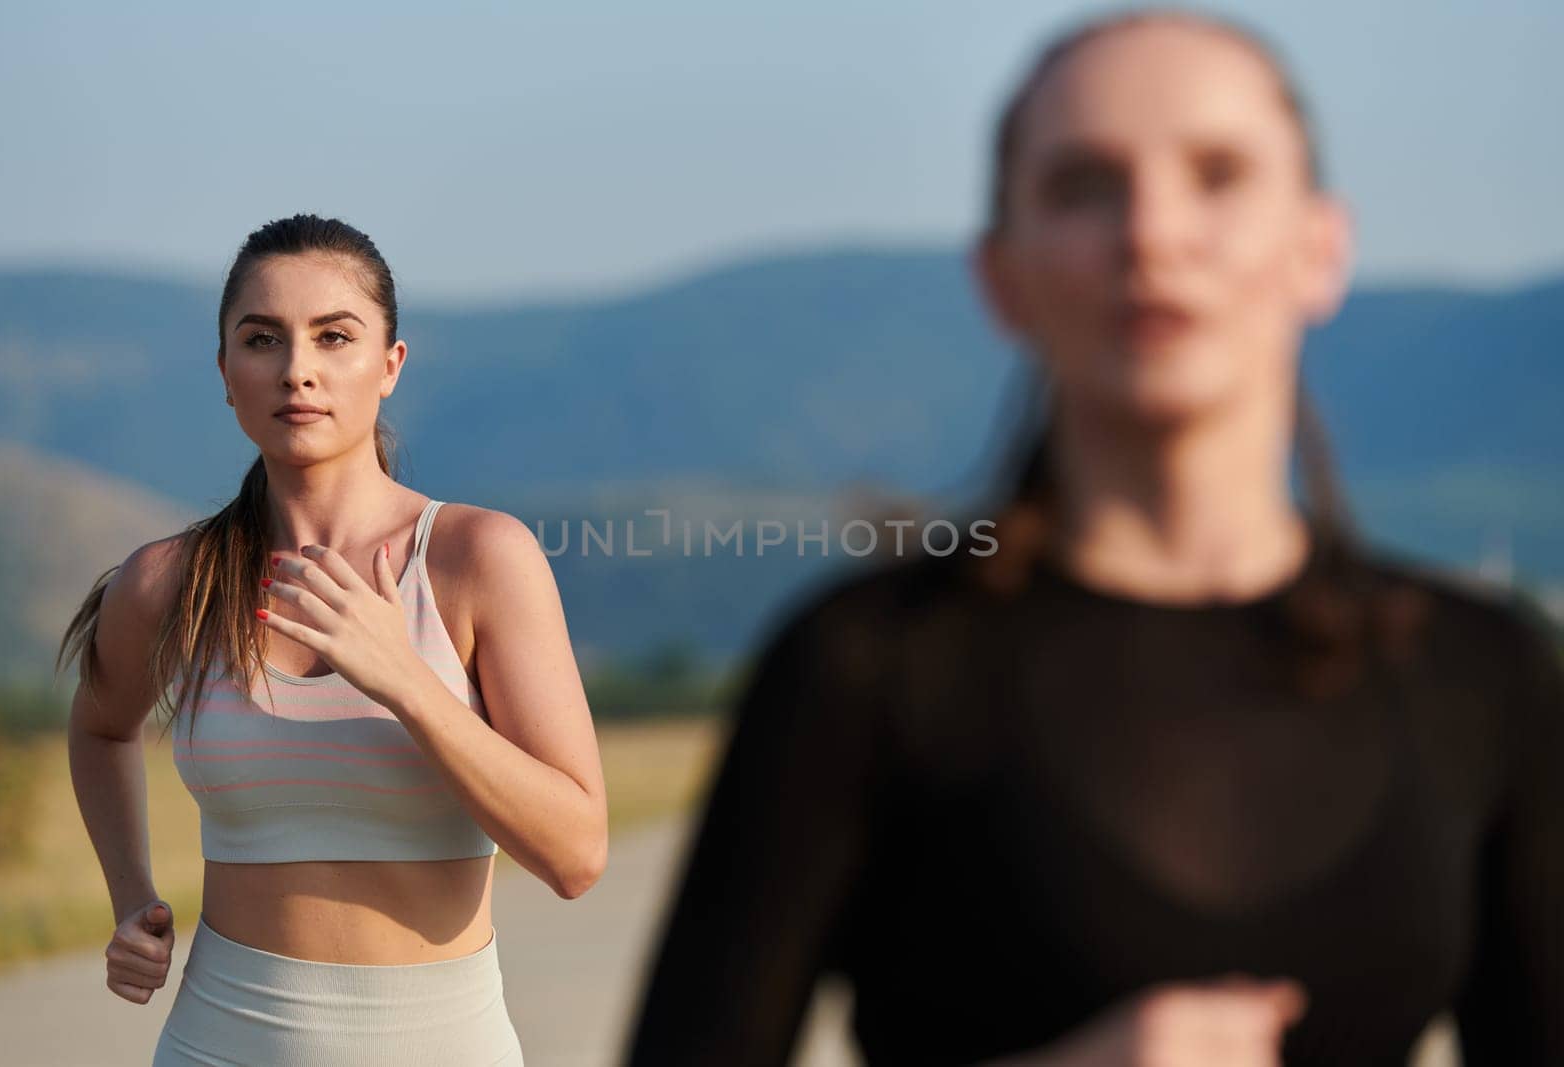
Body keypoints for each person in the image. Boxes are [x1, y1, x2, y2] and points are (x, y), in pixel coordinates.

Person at [625, 9, 1563, 1066]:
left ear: (1320, 245)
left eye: (1217, 173)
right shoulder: (867, 665)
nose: (1152, 232)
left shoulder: (1481, 672)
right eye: (1083, 185)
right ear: (1001, 276)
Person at [58, 213, 608, 1066]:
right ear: (225, 373)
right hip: (215, 1044)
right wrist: (132, 898)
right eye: (262, 338)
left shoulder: (477, 560)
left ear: (390, 366)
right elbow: (99, 724)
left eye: (334, 336)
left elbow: (576, 854)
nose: (297, 370)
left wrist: (408, 682)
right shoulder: (169, 581)